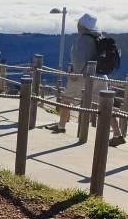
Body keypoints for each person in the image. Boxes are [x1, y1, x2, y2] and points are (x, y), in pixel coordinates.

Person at [47, 13, 125, 147]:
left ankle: (61, 126)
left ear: (82, 26)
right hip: (101, 76)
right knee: (105, 106)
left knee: (67, 99)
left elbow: (79, 59)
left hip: (84, 76)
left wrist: (75, 73)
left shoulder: (83, 39)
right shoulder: (99, 37)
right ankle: (117, 134)